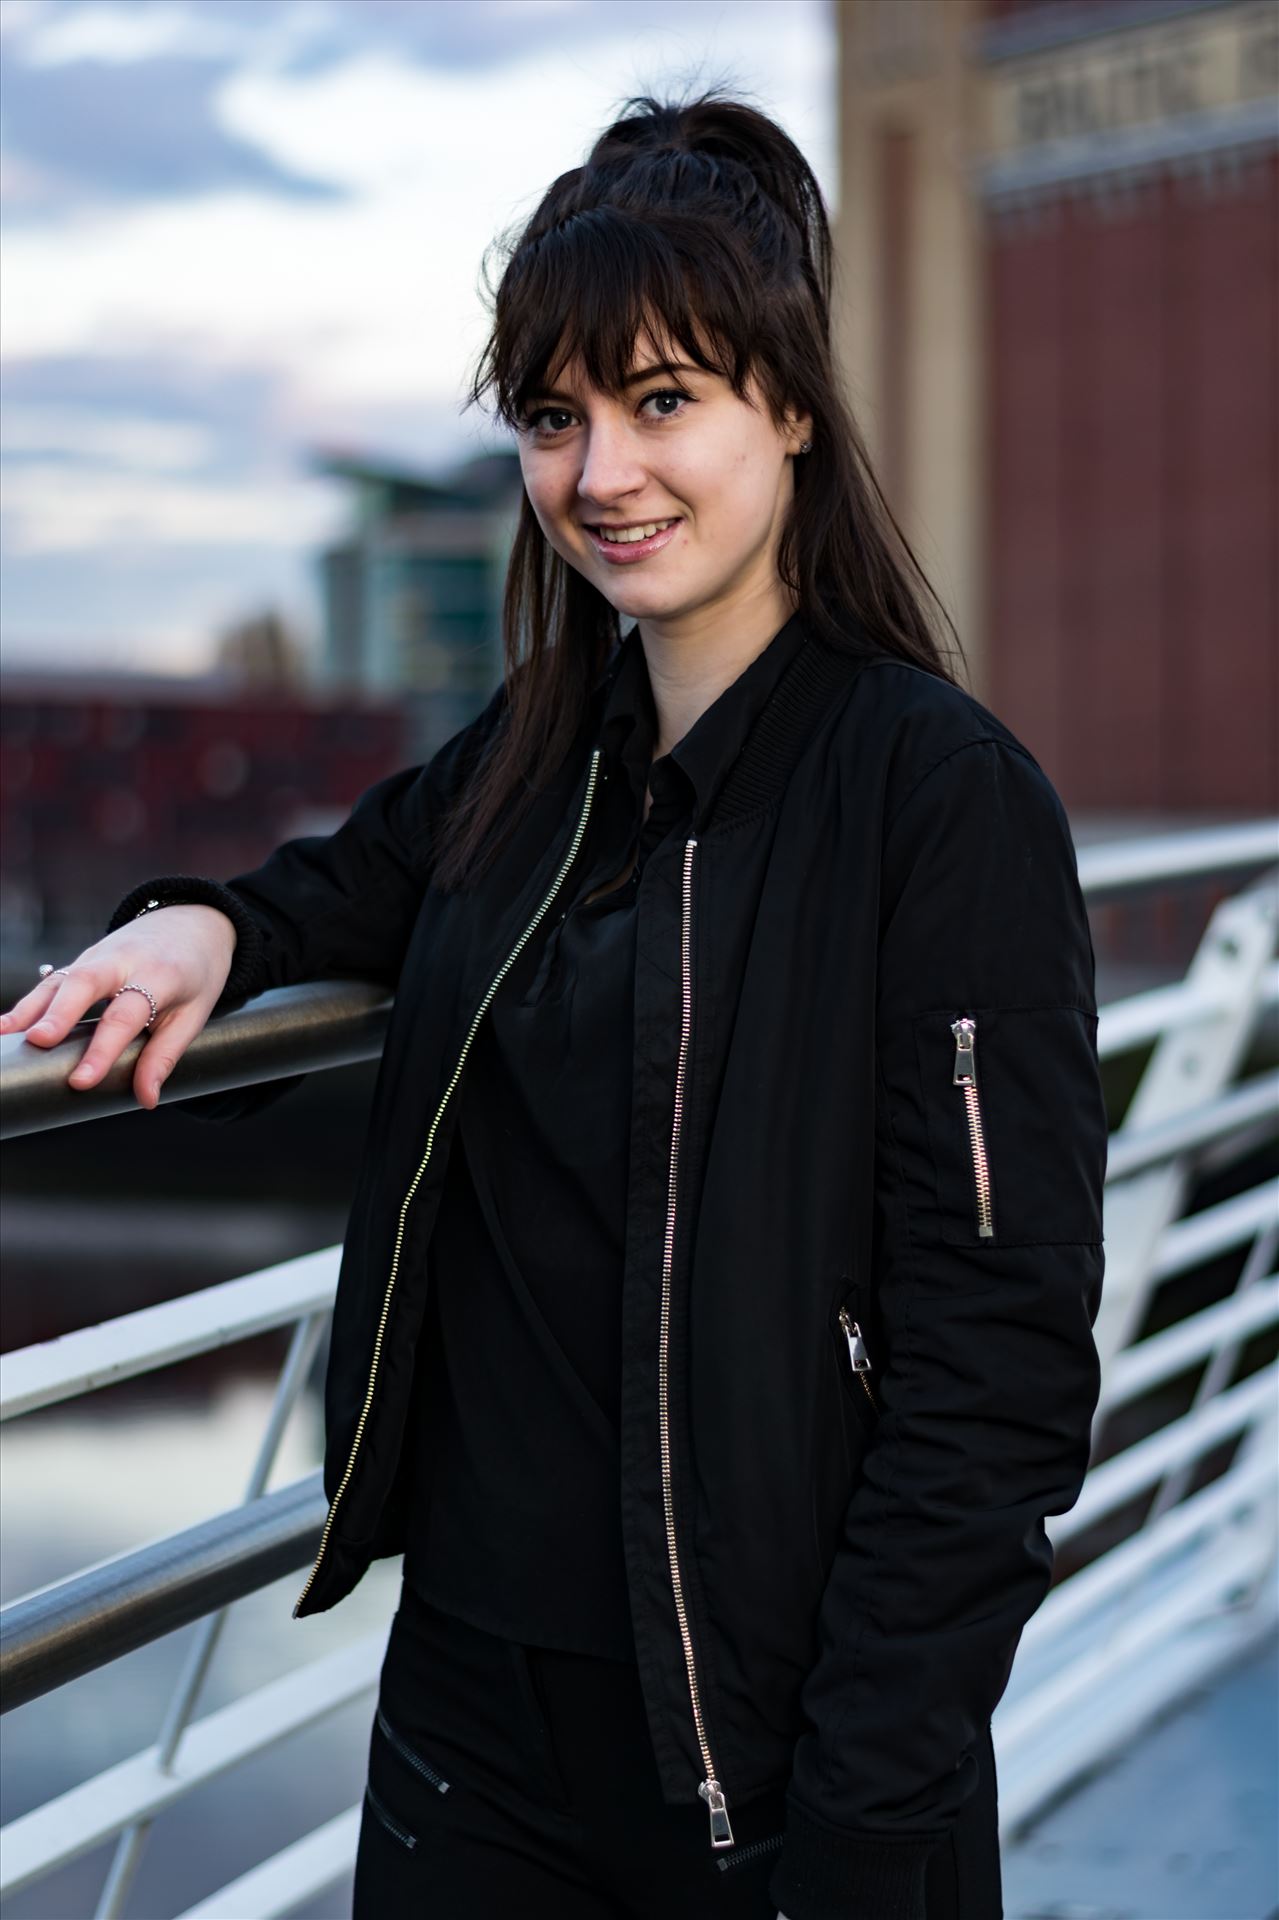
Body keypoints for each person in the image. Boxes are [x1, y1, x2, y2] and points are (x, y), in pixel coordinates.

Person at [0, 88, 1108, 1920]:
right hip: (470, 1727)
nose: (603, 471)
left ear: (794, 412)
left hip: (772, 1742)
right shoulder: (536, 761)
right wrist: (198, 926)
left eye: (662, 401)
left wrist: (864, 1813)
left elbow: (998, 1374)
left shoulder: (936, 797)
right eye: (553, 417)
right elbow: (327, 891)